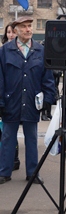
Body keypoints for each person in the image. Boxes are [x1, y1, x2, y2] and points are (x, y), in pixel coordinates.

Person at [0, 16, 56, 185]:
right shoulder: (5, 51)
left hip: (32, 101)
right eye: (24, 27)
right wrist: (0, 102)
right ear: (16, 30)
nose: (28, 30)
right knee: (8, 138)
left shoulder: (40, 50)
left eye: (30, 26)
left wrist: (48, 98)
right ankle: (4, 171)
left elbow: (48, 77)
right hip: (11, 101)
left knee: (31, 138)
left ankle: (33, 172)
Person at [0, 21, 20, 172]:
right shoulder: (2, 51)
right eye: (8, 32)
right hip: (5, 96)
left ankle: (14, 159)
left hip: (17, 97)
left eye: (13, 32)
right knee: (6, 132)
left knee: (12, 131)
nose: (11, 35)